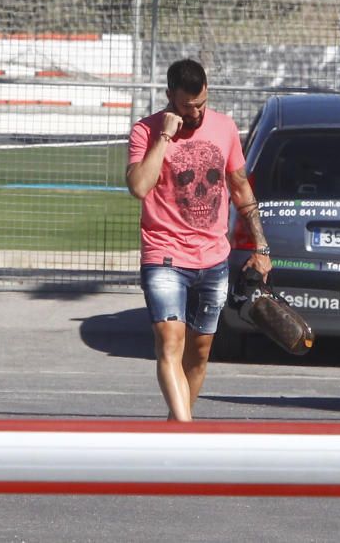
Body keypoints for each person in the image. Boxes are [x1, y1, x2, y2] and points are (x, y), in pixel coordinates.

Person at [126, 59, 271, 422]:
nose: (196, 113)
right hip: (165, 255)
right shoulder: (146, 132)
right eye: (188, 106)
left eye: (202, 104)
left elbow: (240, 188)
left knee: (201, 351)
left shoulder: (224, 128)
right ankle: (188, 433)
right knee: (170, 343)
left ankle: (177, 431)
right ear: (170, 97)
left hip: (212, 259)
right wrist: (164, 136)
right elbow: (139, 186)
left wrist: (261, 247)